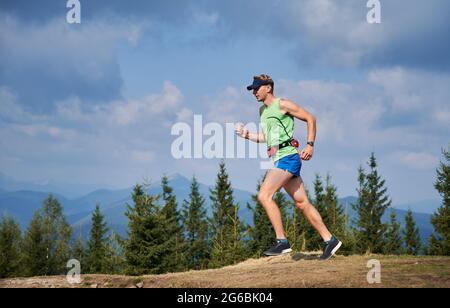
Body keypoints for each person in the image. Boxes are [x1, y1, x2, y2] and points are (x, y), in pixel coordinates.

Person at [235, 74, 342, 260]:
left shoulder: (282, 104)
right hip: (280, 158)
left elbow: (310, 118)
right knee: (302, 203)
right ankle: (330, 240)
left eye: (257, 88)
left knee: (264, 195)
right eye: (252, 89)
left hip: (289, 158)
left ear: (268, 87)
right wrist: (246, 135)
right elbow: (267, 138)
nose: (254, 92)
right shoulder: (263, 111)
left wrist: (310, 145)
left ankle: (282, 242)